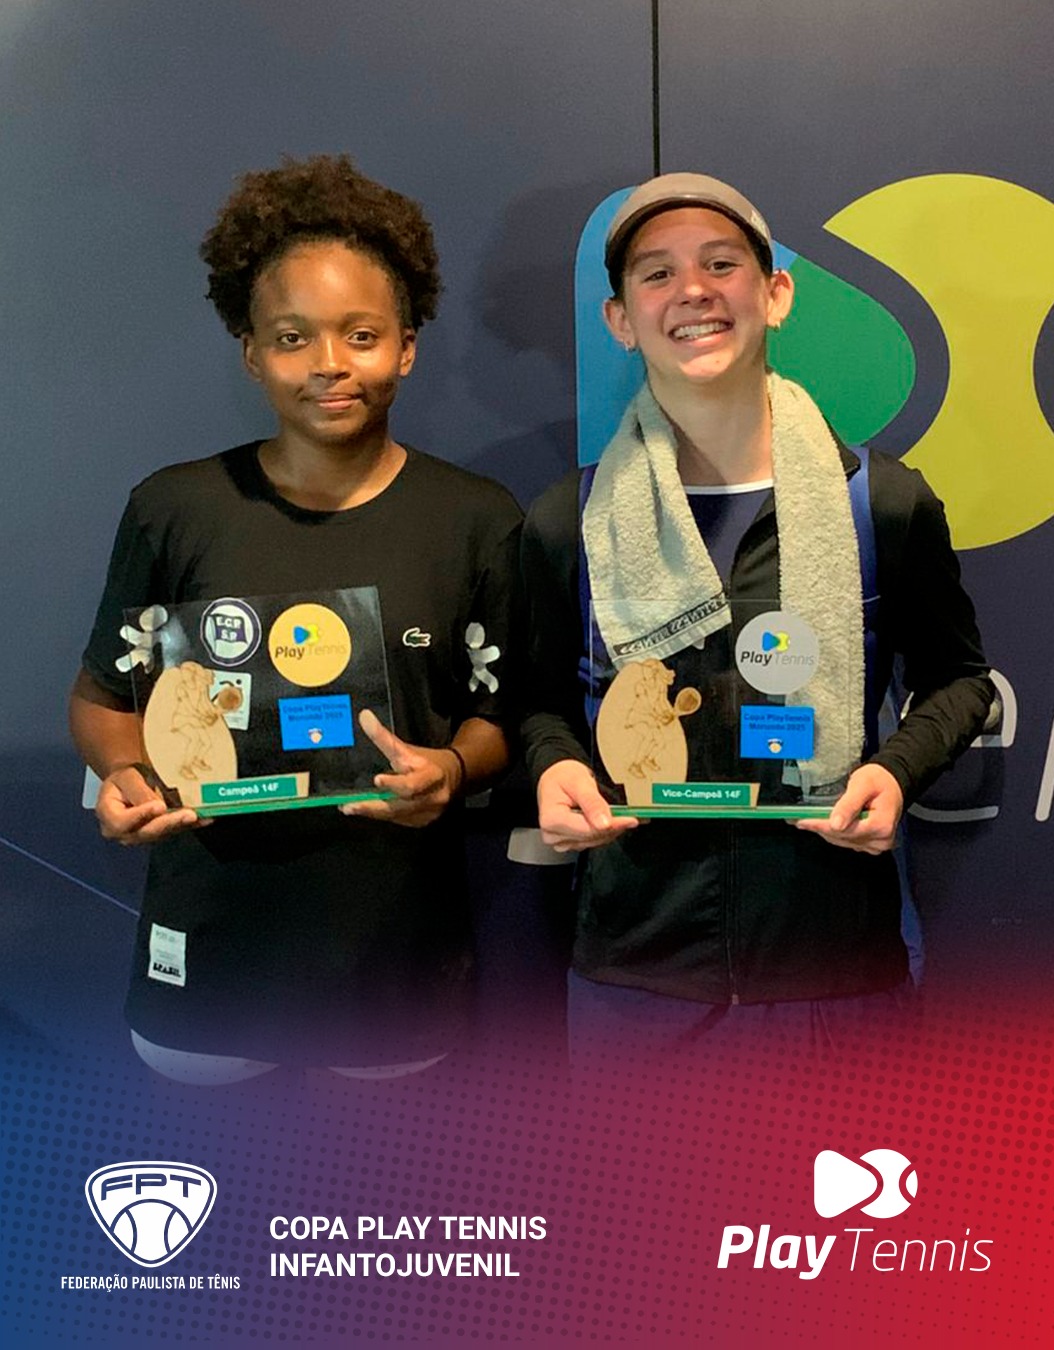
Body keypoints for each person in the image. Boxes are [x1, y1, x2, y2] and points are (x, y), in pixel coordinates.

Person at [519, 172, 994, 1059]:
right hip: (636, 983)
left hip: (836, 974)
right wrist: (554, 765)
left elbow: (961, 683)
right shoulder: (570, 521)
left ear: (775, 294)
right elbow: (537, 702)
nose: (692, 291)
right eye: (656, 274)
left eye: (721, 264)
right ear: (620, 319)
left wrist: (896, 773)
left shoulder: (880, 504)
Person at [70, 155, 521, 1083]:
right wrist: (125, 774)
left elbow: (500, 716)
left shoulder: (477, 519)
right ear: (251, 353)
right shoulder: (175, 509)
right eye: (291, 337)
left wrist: (450, 768)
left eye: (361, 334)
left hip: (394, 963)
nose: (329, 365)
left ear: (406, 347)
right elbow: (104, 698)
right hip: (210, 953)